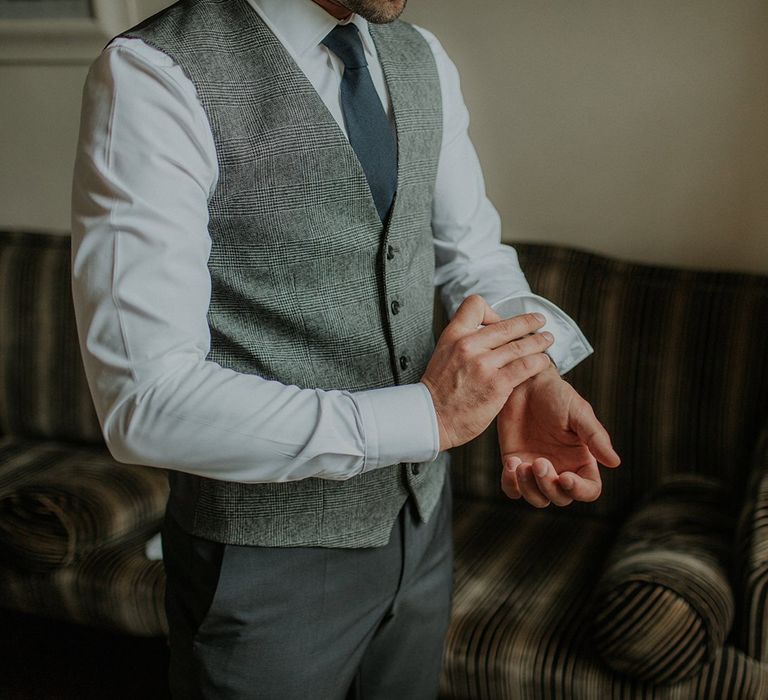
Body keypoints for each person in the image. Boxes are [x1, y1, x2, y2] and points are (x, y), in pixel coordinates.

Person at [70, 0, 620, 697]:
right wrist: (426, 418)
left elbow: (470, 257)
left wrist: (530, 372)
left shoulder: (421, 56)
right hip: (263, 563)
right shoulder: (152, 75)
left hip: (420, 526)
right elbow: (145, 400)